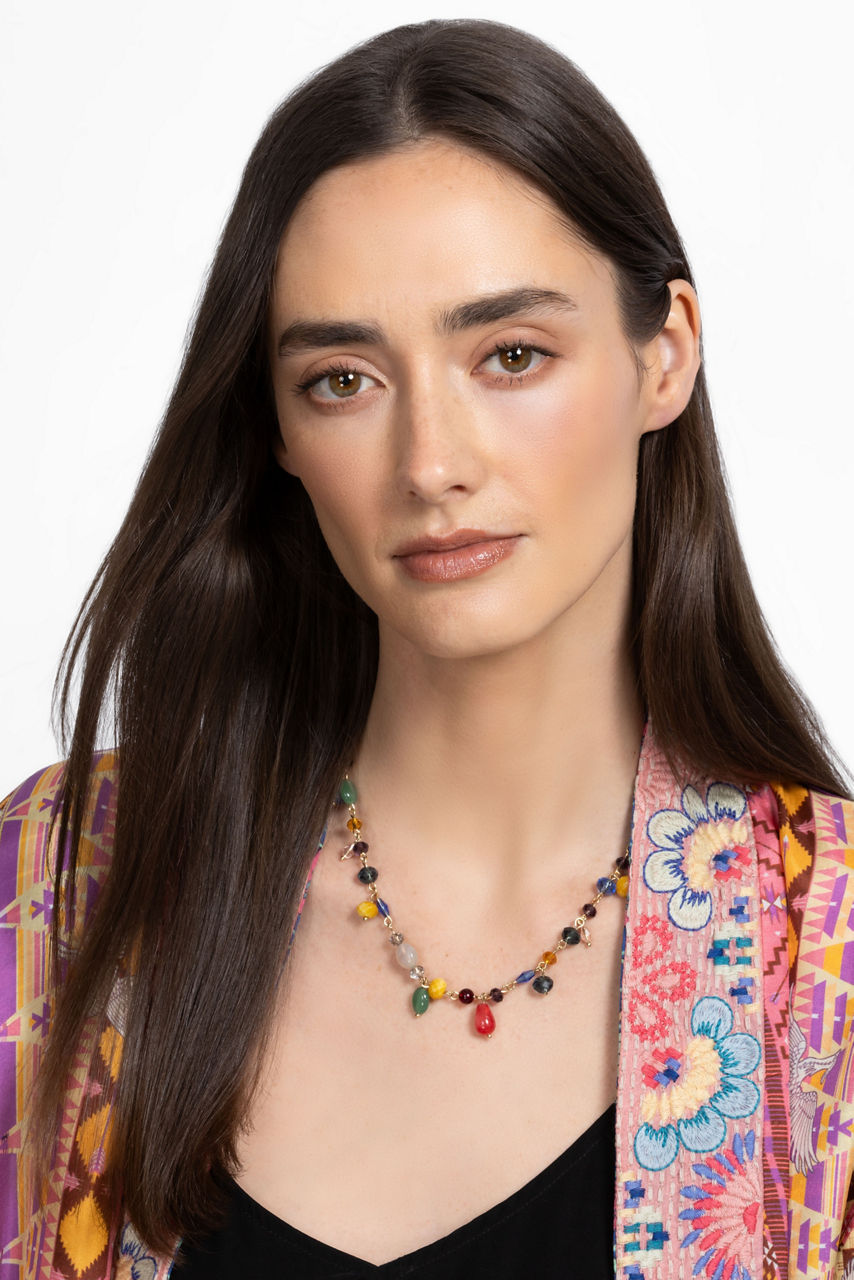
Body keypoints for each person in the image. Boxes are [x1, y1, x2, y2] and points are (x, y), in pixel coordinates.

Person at [1, 17, 852, 1280]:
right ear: (276, 428)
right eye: (343, 378)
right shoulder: (62, 882)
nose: (431, 464)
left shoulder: (824, 955)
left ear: (663, 354)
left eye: (510, 355)